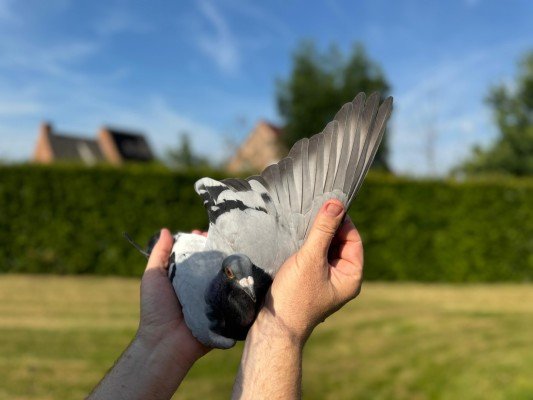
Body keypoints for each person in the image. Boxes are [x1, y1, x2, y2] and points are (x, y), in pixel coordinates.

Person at [88, 200, 364, 400]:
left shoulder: (243, 283)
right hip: (183, 256)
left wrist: (158, 341)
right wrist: (283, 330)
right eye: (236, 276)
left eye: (246, 280)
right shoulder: (206, 324)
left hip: (193, 254)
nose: (247, 284)